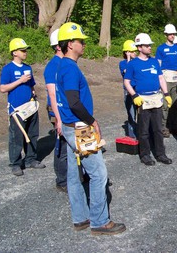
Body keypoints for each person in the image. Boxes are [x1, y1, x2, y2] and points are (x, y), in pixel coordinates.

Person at [56, 22, 126, 235]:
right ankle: (99, 221)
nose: (84, 44)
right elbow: (73, 102)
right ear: (70, 44)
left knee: (73, 175)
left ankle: (81, 218)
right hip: (79, 127)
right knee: (98, 173)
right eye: (80, 41)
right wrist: (92, 121)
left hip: (71, 126)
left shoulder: (64, 66)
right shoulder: (69, 68)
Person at [124, 33, 173, 166]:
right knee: (144, 130)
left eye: (150, 45)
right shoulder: (133, 64)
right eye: (147, 45)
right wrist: (134, 95)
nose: (150, 47)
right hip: (142, 99)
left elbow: (161, 78)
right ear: (139, 47)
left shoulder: (154, 61)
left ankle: (160, 154)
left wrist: (167, 94)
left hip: (156, 97)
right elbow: (126, 81)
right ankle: (145, 155)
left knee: (157, 129)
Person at [0, 38, 46, 176]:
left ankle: (30, 159)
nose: (25, 52)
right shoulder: (8, 69)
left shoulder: (28, 68)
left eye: (25, 50)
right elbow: (3, 88)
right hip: (16, 110)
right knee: (16, 137)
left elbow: (32, 84)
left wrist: (33, 93)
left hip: (30, 107)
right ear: (14, 52)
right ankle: (15, 163)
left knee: (32, 133)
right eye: (22, 50)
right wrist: (19, 81)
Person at [44, 29, 67, 192]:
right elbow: (52, 93)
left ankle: (75, 175)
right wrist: (58, 118)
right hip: (57, 110)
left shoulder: (66, 63)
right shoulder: (53, 66)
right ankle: (62, 180)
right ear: (59, 46)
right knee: (62, 144)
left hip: (68, 109)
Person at [155, 24, 177, 137]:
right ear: (166, 35)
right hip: (165, 77)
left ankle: (175, 126)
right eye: (170, 34)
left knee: (176, 104)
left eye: (173, 34)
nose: (172, 36)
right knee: (165, 104)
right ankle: (164, 127)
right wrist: (159, 79)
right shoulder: (161, 48)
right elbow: (158, 65)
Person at [119, 40, 138, 139]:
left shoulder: (137, 62)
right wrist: (129, 58)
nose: (135, 53)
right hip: (128, 92)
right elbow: (127, 72)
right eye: (132, 51)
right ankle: (132, 134)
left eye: (135, 51)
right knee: (131, 113)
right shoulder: (123, 63)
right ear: (127, 52)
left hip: (137, 90)